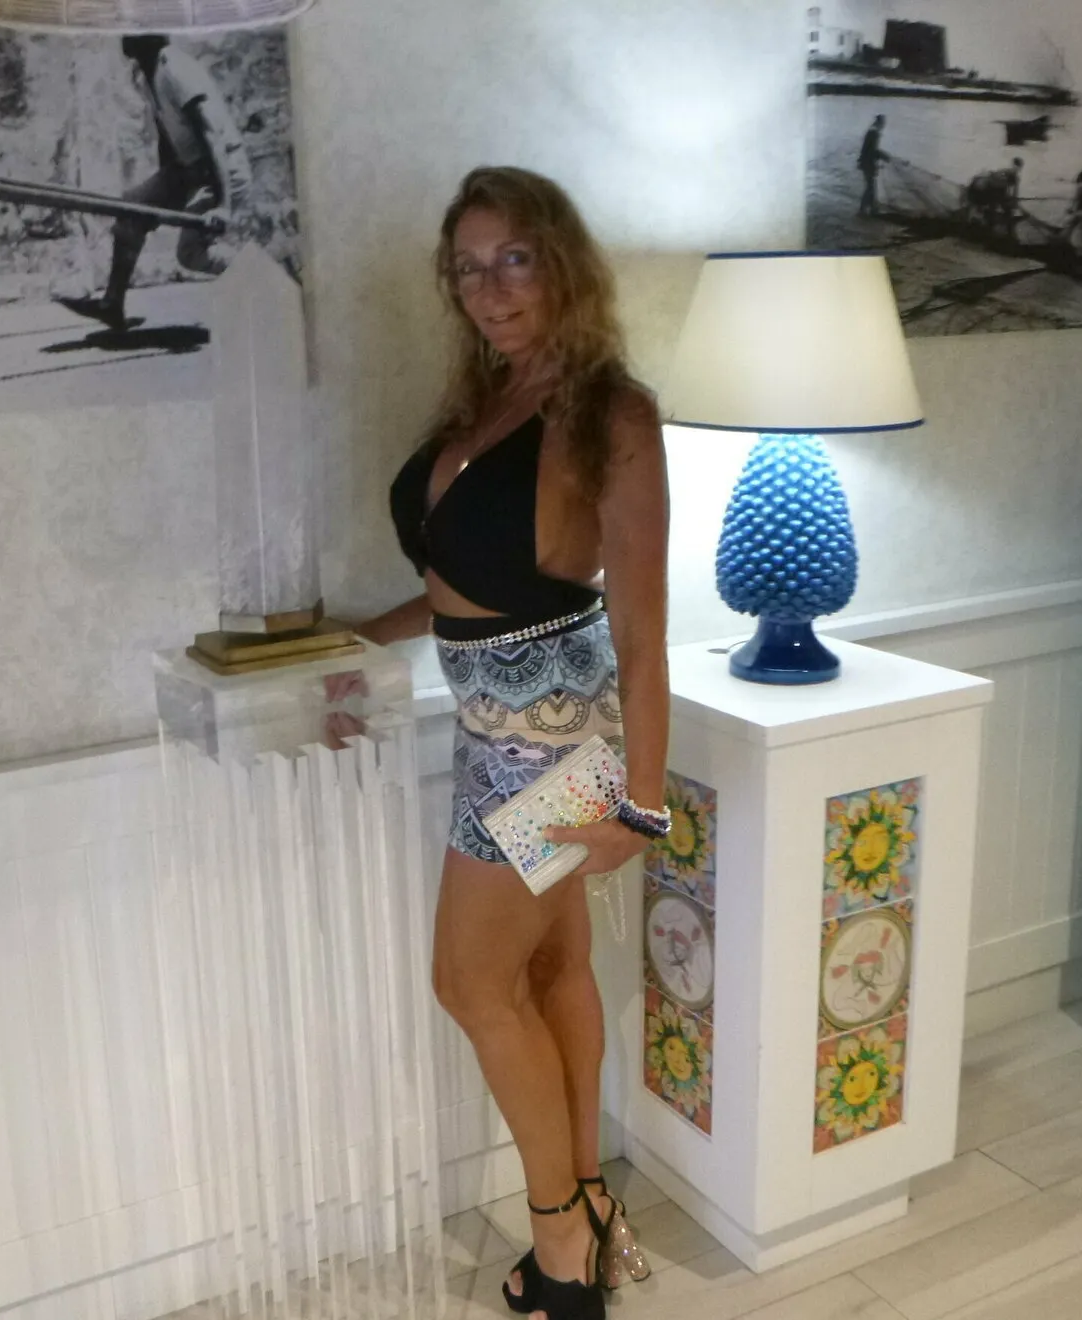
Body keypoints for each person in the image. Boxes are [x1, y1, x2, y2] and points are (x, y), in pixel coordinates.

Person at [359, 167, 671, 1320]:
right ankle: (585, 1204)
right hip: (490, 729)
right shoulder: (481, 401)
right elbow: (460, 589)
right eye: (468, 269)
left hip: (559, 738)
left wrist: (642, 803)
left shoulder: (611, 413)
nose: (490, 290)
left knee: (470, 983)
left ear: (562, 263)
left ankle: (561, 1247)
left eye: (515, 261)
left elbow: (642, 627)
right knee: (547, 972)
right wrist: (353, 640)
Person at [58, 35, 253, 331]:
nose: (122, 37)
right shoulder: (147, 73)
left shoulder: (174, 67)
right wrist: (162, 193)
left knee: (190, 255)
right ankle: (112, 304)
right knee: (131, 211)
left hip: (222, 171)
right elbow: (167, 135)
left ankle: (264, 279)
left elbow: (210, 134)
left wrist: (224, 205)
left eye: (130, 29)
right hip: (187, 171)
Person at [857, 114, 890, 217]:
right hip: (868, 163)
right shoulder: (874, 133)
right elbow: (873, 151)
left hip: (866, 162)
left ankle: (872, 209)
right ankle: (863, 210)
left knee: (871, 186)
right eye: (883, 123)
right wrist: (884, 156)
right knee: (870, 187)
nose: (884, 125)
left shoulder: (872, 131)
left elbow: (868, 149)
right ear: (880, 123)